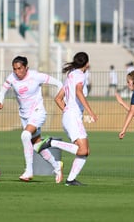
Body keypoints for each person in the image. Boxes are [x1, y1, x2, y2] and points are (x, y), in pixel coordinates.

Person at [0, 56, 63, 183]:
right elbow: (2, 91)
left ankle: (29, 171)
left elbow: (58, 83)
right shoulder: (12, 78)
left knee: (25, 135)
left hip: (38, 112)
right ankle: (57, 166)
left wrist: (61, 98)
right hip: (24, 116)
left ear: (26, 68)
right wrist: (0, 102)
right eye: (14, 69)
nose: (17, 72)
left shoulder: (36, 76)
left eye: (19, 68)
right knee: (37, 146)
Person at [40, 52, 98, 186]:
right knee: (83, 150)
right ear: (87, 63)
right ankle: (52, 142)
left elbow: (58, 98)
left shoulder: (70, 75)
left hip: (69, 116)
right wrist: (90, 112)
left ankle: (71, 179)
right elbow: (78, 92)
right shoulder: (80, 75)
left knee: (85, 151)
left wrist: (67, 111)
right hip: (72, 117)